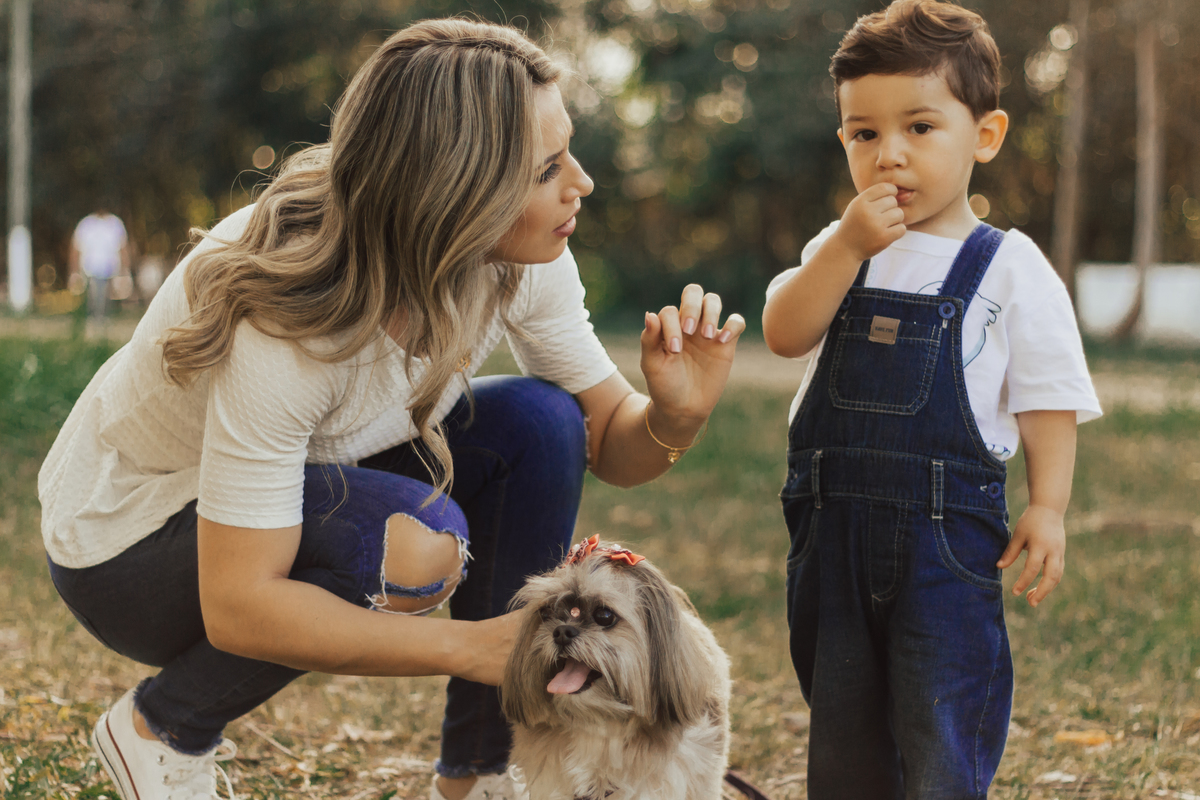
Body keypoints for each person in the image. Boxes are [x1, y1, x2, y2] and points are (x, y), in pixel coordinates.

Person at [39, 19, 745, 800]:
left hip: (296, 490)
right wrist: (474, 648)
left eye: (566, 152)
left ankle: (477, 773)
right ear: (458, 190)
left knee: (542, 425)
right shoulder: (286, 310)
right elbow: (240, 607)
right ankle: (164, 726)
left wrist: (676, 415)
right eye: (547, 169)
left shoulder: (516, 258)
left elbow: (607, 438)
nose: (580, 183)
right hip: (130, 551)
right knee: (413, 543)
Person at [761, 1, 1101, 796]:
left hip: (945, 548)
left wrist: (1048, 506)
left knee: (943, 711)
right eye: (864, 133)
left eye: (919, 127)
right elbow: (783, 331)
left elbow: (1048, 395)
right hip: (833, 538)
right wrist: (845, 248)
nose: (890, 155)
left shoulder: (1010, 267)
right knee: (842, 722)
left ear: (985, 135)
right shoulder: (837, 249)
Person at [69, 206, 130, 320]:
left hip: (109, 268)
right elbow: (76, 248)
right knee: (94, 295)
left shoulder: (115, 223)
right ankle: (95, 317)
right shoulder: (86, 224)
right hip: (91, 268)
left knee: (106, 296)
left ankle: (103, 317)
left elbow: (123, 248)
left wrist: (124, 269)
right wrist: (74, 270)